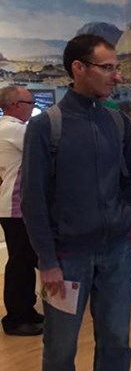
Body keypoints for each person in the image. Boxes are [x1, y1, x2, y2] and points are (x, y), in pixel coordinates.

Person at [22, 33, 131, 370]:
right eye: (107, 68)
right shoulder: (46, 127)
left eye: (117, 68)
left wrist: (126, 217)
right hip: (66, 259)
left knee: (117, 341)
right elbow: (33, 199)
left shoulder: (117, 122)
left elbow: (128, 181)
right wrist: (47, 260)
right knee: (60, 348)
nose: (116, 76)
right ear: (78, 68)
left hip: (115, 253)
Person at [0, 86, 42, 336]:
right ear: (16, 104)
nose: (33, 106)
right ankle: (16, 317)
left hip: (14, 206)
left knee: (24, 261)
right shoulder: (15, 129)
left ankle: (26, 310)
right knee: (20, 263)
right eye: (31, 102)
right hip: (17, 207)